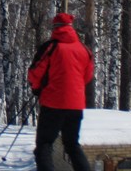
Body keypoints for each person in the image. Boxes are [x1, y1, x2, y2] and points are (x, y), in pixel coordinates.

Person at [27, 12, 94, 171]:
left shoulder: (51, 47)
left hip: (53, 103)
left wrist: (37, 89)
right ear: (71, 28)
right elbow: (87, 76)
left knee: (44, 145)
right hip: (76, 105)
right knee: (72, 145)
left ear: (55, 27)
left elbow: (35, 72)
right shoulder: (84, 49)